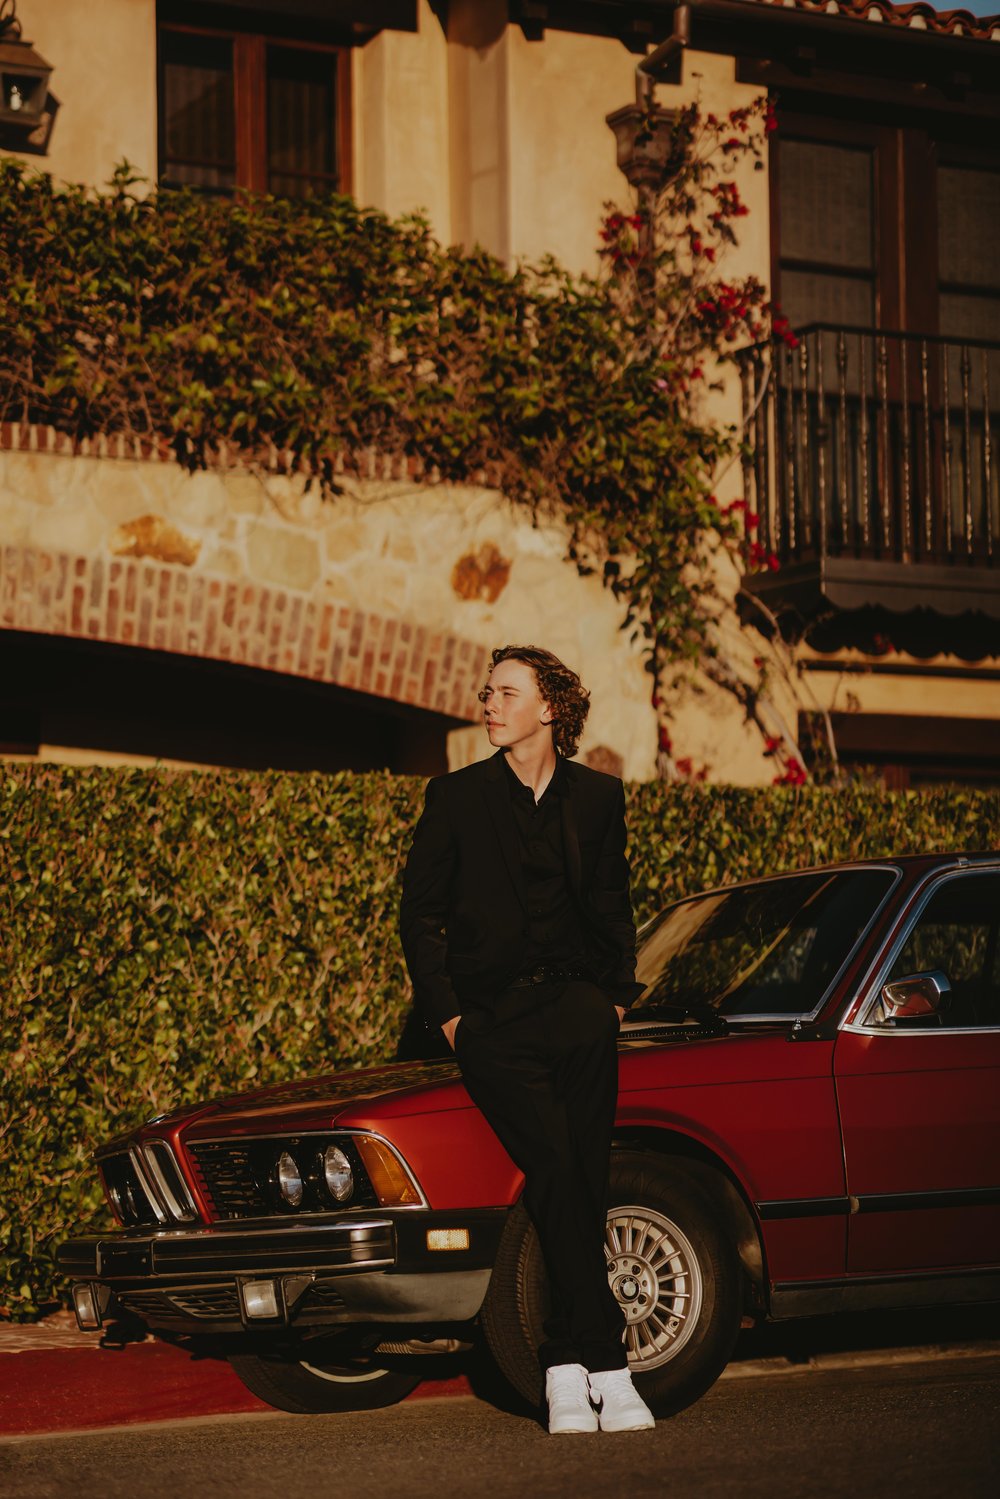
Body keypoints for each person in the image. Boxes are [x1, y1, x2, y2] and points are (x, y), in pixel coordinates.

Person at [399, 644, 654, 1434]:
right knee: (551, 1167)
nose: (488, 703)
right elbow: (420, 914)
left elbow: (612, 904)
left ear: (550, 708)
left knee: (584, 1171)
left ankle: (573, 1366)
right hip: (493, 1022)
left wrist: (613, 998)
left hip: (579, 1012)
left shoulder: (599, 798)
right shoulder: (456, 797)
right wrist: (451, 1017)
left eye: (506, 692)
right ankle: (592, 1358)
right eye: (487, 691)